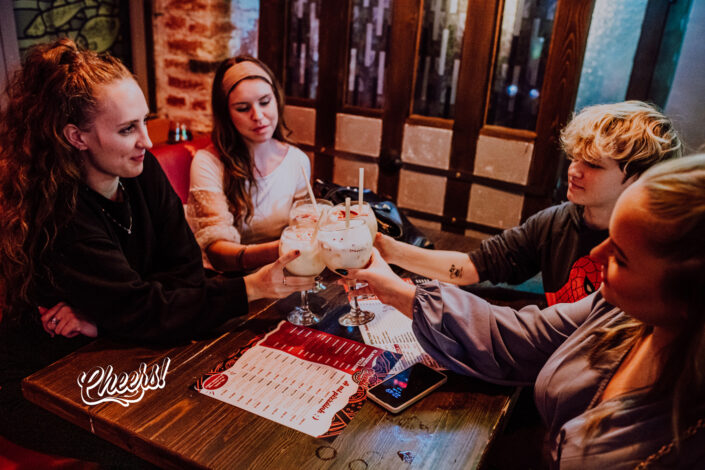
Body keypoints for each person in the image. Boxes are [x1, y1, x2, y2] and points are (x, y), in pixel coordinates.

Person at [0, 39, 312, 463]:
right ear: (77, 137)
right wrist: (253, 287)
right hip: (39, 378)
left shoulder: (139, 171)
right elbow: (147, 309)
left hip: (110, 346)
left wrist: (107, 316)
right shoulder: (62, 214)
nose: (146, 141)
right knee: (153, 447)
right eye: (127, 129)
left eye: (144, 122)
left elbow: (185, 271)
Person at [347, 154, 705, 468]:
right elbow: (525, 332)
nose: (597, 255)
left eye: (621, 258)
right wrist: (395, 288)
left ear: (689, 298)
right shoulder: (615, 307)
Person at [376, 101, 682, 304]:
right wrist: (387, 248)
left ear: (639, 177)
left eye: (592, 165)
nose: (573, 170)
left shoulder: (651, 251)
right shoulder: (556, 222)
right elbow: (472, 266)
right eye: (575, 158)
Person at [186, 55, 311, 273]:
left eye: (265, 102)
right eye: (243, 108)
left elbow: (303, 227)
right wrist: (285, 250)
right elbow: (217, 253)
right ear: (226, 114)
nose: (258, 116)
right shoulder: (208, 162)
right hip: (226, 280)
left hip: (280, 272)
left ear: (277, 99)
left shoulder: (297, 160)